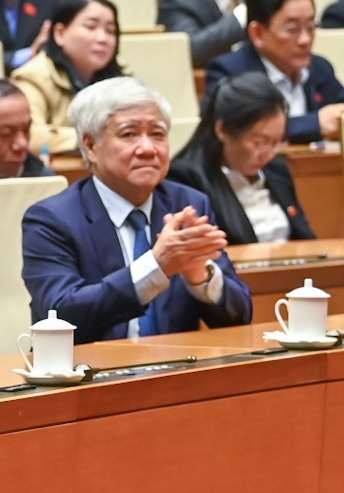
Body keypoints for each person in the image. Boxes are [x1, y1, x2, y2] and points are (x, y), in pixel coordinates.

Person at [21, 79, 251, 343]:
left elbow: (239, 317)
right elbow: (60, 316)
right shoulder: (51, 219)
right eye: (129, 134)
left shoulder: (187, 204)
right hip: (92, 376)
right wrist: (157, 266)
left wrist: (201, 277)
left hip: (175, 374)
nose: (147, 149)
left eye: (157, 134)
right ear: (91, 146)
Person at [169, 72, 311, 247]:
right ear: (222, 130)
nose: (268, 153)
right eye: (259, 142)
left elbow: (305, 239)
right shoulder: (188, 179)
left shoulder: (277, 170)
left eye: (276, 142)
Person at [205, 0, 344, 145]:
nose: (305, 40)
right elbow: (233, 130)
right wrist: (314, 124)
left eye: (310, 26)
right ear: (257, 33)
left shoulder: (320, 68)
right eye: (292, 29)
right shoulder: (231, 72)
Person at [12, 0, 123, 155]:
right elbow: (29, 135)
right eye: (90, 27)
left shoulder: (118, 83)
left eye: (110, 31)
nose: (102, 38)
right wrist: (101, 139)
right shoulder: (33, 77)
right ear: (60, 33)